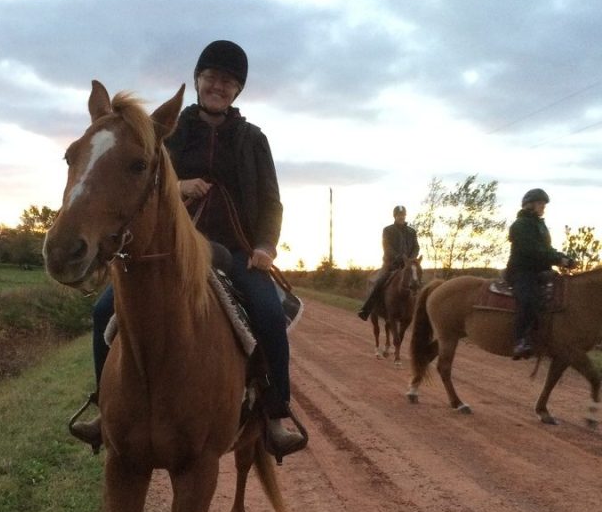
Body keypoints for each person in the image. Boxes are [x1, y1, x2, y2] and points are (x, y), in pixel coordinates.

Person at [71, 40, 306, 457]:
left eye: (229, 81)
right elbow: (143, 178)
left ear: (237, 91)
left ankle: (274, 413)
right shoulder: (168, 132)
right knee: (103, 310)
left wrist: (265, 245)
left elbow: (271, 200)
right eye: (212, 77)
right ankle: (104, 409)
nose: (219, 85)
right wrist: (179, 187)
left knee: (269, 313)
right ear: (198, 80)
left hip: (235, 249)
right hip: (173, 247)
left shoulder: (253, 139)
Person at [505, 188, 574, 360]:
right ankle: (520, 340)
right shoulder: (520, 225)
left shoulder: (540, 225)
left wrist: (563, 257)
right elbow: (531, 250)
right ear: (529, 205)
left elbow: (546, 249)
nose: (543, 207)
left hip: (539, 272)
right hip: (522, 271)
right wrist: (558, 260)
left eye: (543, 204)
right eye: (540, 204)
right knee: (528, 299)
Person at [357, 205, 420, 320]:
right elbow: (387, 247)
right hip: (391, 264)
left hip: (408, 265)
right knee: (379, 282)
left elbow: (416, 247)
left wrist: (410, 259)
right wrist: (400, 257)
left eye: (403, 215)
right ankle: (366, 309)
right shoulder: (388, 230)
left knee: (417, 282)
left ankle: (418, 313)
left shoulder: (412, 232)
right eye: (399, 215)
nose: (401, 217)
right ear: (395, 216)